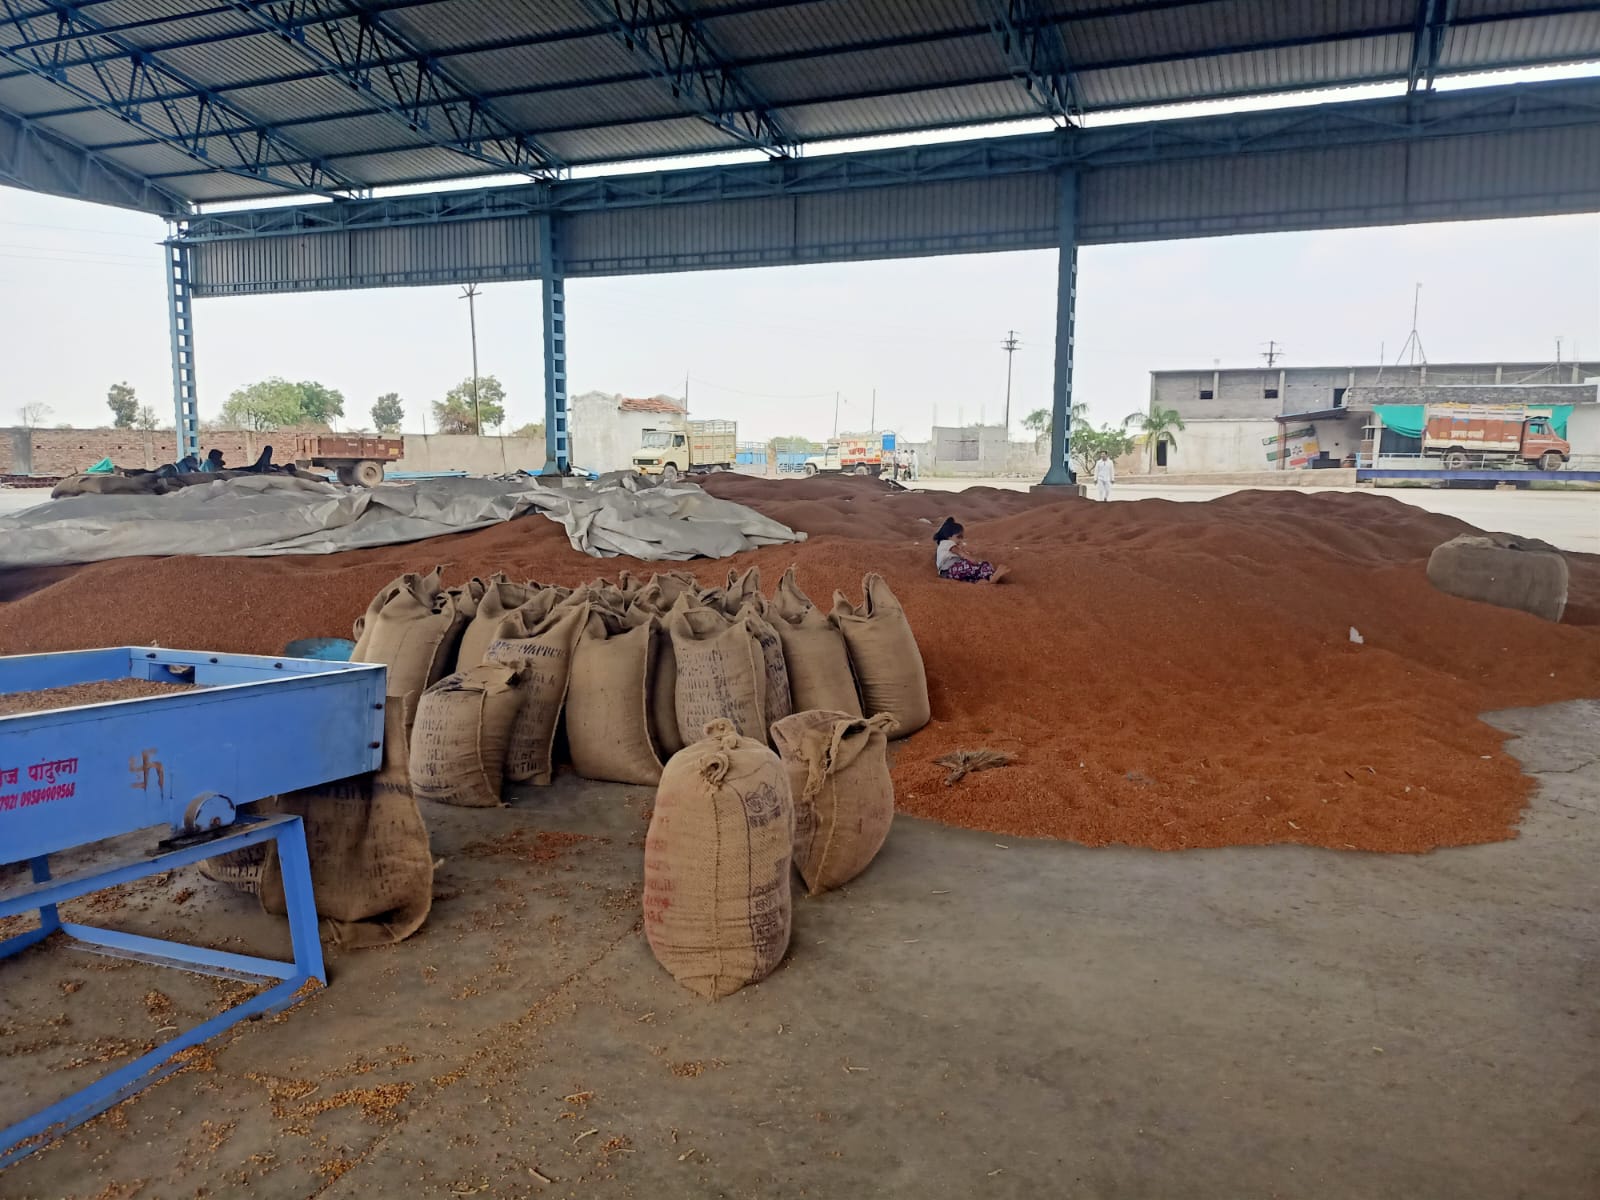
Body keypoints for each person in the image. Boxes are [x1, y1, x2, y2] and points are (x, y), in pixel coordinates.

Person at [933, 517, 1007, 584]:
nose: (960, 540)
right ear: (948, 536)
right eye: (958, 537)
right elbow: (961, 553)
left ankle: (984, 582)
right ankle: (990, 576)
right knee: (983, 564)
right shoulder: (947, 543)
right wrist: (973, 560)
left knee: (973, 576)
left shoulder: (942, 547)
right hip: (950, 570)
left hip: (948, 574)